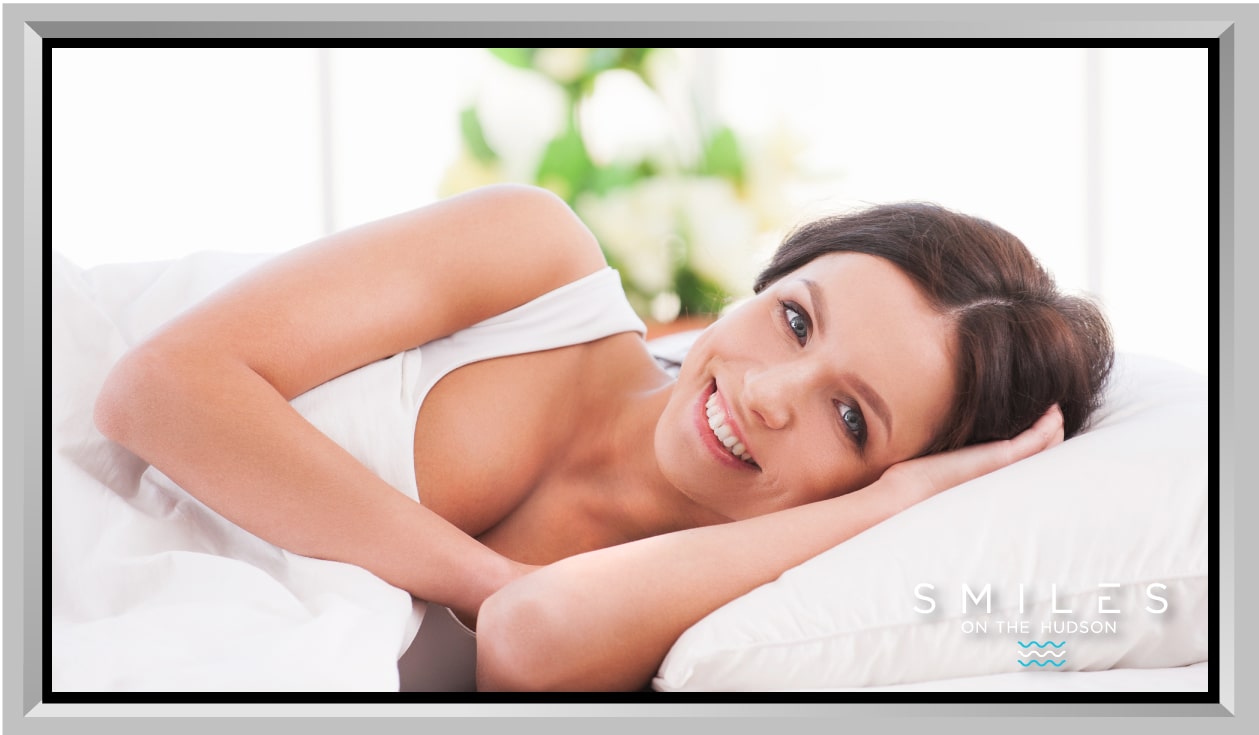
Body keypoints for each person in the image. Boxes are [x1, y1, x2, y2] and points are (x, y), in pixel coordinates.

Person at [92, 184, 1113, 692]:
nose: (768, 393)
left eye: (850, 419)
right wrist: (483, 575)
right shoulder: (535, 260)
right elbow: (154, 388)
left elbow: (528, 635)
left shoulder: (729, 605)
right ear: (764, 282)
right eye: (795, 319)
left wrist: (893, 507)